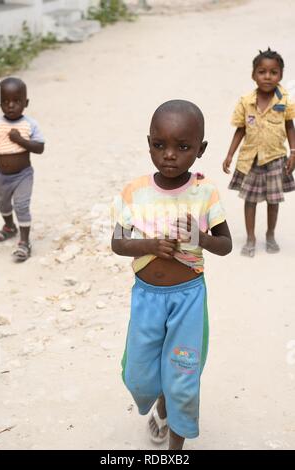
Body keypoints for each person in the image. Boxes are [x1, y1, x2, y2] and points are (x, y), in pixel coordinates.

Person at [111, 100, 232, 450]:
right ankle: (159, 405)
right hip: (147, 298)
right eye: (159, 145)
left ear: (200, 149)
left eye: (183, 147)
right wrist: (149, 245)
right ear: (148, 142)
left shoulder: (204, 192)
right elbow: (118, 243)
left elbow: (224, 245)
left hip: (188, 300)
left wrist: (200, 236)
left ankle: (174, 448)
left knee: (182, 377)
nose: (169, 156)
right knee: (139, 375)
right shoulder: (135, 191)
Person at [223, 48, 295, 257]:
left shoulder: (285, 101)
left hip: (275, 158)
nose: (267, 76)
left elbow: (290, 126)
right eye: (262, 71)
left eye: (273, 72)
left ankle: (270, 234)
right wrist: (229, 154)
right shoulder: (246, 101)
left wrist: (293, 152)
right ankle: (251, 237)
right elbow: (241, 129)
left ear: (281, 75)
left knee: (274, 200)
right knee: (250, 200)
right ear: (253, 75)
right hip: (251, 160)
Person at [0, 77, 45, 261]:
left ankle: (24, 242)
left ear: (26, 102)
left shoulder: (30, 124)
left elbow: (40, 148)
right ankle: (9, 227)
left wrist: (21, 141)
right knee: (2, 203)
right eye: (6, 102)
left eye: (16, 101)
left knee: (21, 206)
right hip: (1, 176)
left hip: (23, 175)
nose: (11, 106)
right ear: (0, 103)